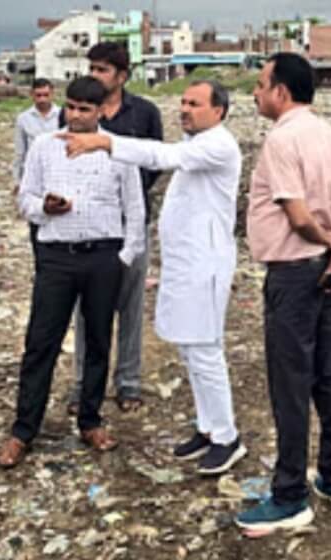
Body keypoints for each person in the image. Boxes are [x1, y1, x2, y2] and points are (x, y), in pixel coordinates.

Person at [58, 79, 246, 475]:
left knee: (205, 350)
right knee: (190, 349)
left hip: (205, 265)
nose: (184, 109)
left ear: (219, 111)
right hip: (187, 264)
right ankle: (208, 427)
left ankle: (227, 437)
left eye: (195, 103)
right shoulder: (198, 144)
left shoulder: (218, 145)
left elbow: (160, 154)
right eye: (183, 102)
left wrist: (105, 142)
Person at [235, 52, 331, 533]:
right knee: (327, 375)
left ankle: (290, 494)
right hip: (325, 271)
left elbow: (298, 215)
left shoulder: (282, 139)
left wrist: (328, 247)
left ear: (281, 91)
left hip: (293, 274)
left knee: (290, 384)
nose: (255, 93)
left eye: (261, 84)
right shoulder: (329, 134)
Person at [0, 76, 145, 467]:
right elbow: (25, 199)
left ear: (101, 111)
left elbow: (135, 209)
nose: (76, 116)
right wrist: (44, 207)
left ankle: (90, 421)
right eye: (72, 107)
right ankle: (23, 430)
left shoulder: (117, 150)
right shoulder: (45, 147)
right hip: (57, 257)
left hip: (103, 257)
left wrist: (125, 257)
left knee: (98, 340)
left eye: (85, 109)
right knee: (41, 342)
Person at [65, 42, 164, 415]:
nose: (95, 75)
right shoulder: (77, 115)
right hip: (89, 227)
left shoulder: (144, 113)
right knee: (85, 310)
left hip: (131, 224)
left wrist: (126, 196)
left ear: (122, 76)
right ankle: (82, 386)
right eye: (91, 68)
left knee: (131, 306)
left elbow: (154, 162)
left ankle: (128, 382)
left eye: (103, 69)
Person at [13, 78, 62, 252]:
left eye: (46, 95)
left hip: (58, 174)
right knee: (36, 217)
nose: (42, 99)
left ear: (52, 94)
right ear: (31, 95)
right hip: (33, 176)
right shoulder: (23, 119)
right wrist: (17, 181)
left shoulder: (62, 116)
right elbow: (20, 152)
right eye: (38, 95)